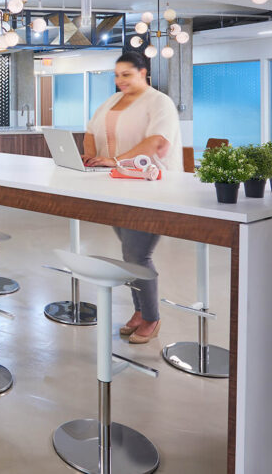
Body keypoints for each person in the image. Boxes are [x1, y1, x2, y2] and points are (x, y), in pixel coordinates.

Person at [82, 51, 182, 344]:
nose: (120, 80)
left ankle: (151, 317)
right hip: (117, 188)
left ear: (143, 72)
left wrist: (114, 160)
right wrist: (90, 154)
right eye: (117, 75)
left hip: (150, 189)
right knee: (129, 254)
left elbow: (156, 141)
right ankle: (140, 312)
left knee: (138, 254)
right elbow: (91, 130)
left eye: (126, 74)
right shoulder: (112, 101)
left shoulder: (158, 102)